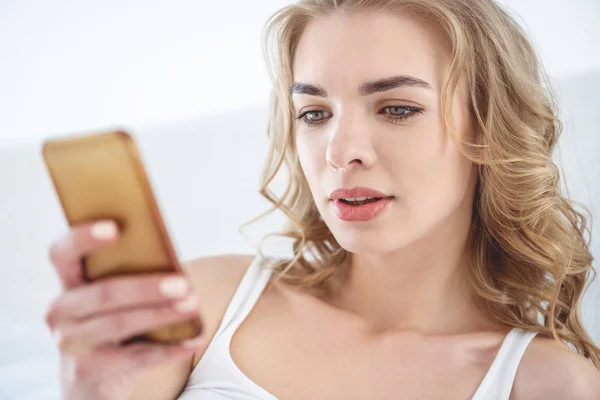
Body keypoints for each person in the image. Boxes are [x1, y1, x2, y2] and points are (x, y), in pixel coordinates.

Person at [44, 0, 600, 399]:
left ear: (486, 130)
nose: (340, 152)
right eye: (314, 113)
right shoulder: (206, 306)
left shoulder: (546, 384)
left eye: (396, 108)